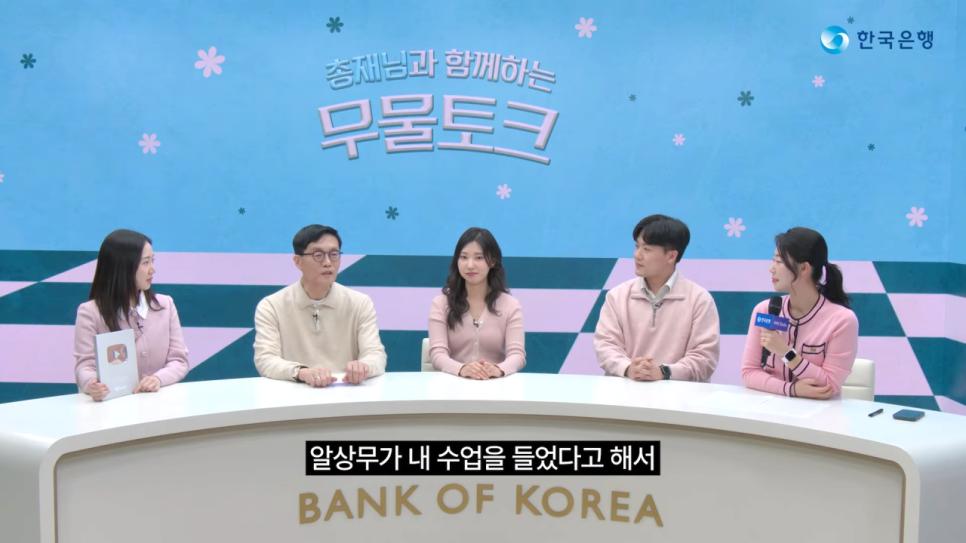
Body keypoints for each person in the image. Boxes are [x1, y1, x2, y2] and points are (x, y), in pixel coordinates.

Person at [254, 224, 386, 386]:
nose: (328, 262)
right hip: (294, 392)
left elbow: (376, 356)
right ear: (297, 261)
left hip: (346, 392)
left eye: (334, 254)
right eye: (318, 255)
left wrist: (364, 366)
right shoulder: (271, 306)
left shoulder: (360, 303)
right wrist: (301, 372)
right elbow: (265, 360)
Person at [595, 214, 720, 381]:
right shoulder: (617, 296)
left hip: (680, 394)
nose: (637, 255)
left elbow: (704, 358)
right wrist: (629, 368)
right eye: (637, 246)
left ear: (671, 256)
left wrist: (663, 372)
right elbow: (606, 346)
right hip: (625, 390)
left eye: (646, 249)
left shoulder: (699, 300)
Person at [740, 227, 858, 399]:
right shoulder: (765, 310)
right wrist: (790, 389)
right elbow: (749, 372)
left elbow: (829, 385)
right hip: (770, 409)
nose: (771, 269)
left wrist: (785, 352)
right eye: (773, 260)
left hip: (820, 412)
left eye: (779, 261)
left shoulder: (842, 320)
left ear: (804, 268)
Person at [74, 229, 189, 400]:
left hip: (160, 404)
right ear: (123, 267)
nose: (152, 270)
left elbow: (179, 361)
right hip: (113, 407)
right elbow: (85, 366)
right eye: (145, 263)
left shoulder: (165, 305)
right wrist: (92, 384)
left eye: (152, 261)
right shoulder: (90, 313)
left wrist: (158, 379)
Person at [428, 227, 525, 379]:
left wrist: (498, 369)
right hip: (453, 386)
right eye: (464, 257)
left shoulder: (510, 305)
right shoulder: (441, 304)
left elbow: (517, 355)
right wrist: (462, 369)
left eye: (479, 258)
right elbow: (437, 354)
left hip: (496, 385)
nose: (470, 265)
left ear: (492, 261)